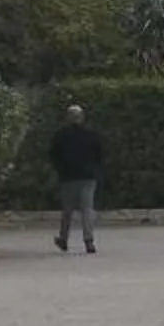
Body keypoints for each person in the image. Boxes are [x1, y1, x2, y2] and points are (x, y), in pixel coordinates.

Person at [49, 104, 103, 254]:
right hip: (88, 177)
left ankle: (64, 239)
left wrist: (59, 170)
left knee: (67, 210)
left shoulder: (60, 135)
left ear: (67, 118)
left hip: (68, 177)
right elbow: (99, 155)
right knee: (87, 209)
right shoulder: (91, 135)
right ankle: (89, 240)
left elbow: (53, 155)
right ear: (82, 118)